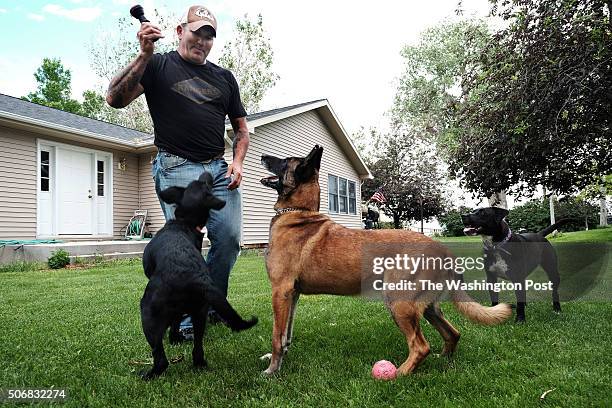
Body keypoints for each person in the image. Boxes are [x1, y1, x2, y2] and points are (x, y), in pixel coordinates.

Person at [106, 5, 249, 334]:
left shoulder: (225, 78)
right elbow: (115, 98)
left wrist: (238, 162)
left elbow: (242, 129)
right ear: (180, 31)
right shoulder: (158, 65)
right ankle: (185, 321)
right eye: (196, 32)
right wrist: (143, 55)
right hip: (176, 166)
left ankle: (209, 304)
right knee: (185, 247)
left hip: (217, 168)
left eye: (208, 36)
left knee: (228, 240)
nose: (202, 41)